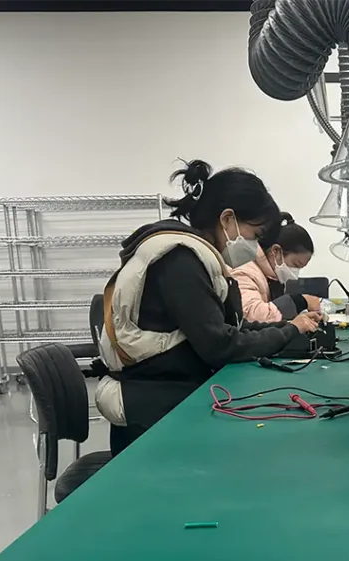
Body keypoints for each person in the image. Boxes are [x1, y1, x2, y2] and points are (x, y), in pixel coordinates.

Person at [95, 159, 321, 456]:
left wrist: (288, 329)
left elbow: (231, 328)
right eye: (255, 234)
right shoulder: (180, 260)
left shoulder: (196, 258)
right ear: (227, 219)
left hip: (166, 392)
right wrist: (290, 329)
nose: (255, 246)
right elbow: (219, 344)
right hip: (152, 410)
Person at [231, 213, 320, 322]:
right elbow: (250, 314)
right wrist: (301, 301)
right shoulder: (244, 271)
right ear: (276, 251)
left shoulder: (268, 276)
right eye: (296, 265)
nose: (295, 273)